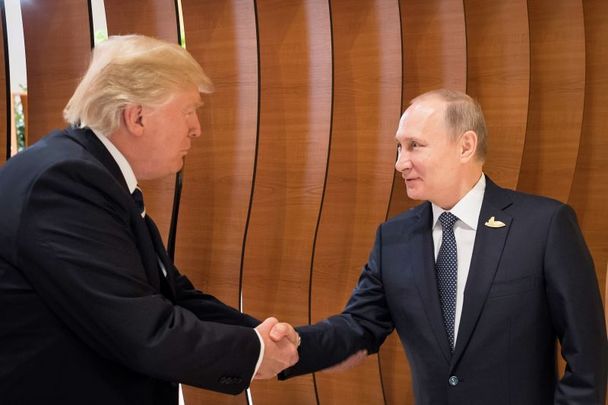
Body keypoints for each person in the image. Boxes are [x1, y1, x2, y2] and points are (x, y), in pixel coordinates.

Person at [0, 35, 299, 404]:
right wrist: (254, 351)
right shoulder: (63, 183)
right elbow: (142, 330)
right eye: (189, 110)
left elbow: (171, 293)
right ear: (136, 116)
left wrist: (265, 336)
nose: (197, 129)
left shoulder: (84, 171)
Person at [277, 89, 608, 404]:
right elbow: (358, 327)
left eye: (414, 146)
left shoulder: (544, 226)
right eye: (398, 147)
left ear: (465, 146)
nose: (400, 163)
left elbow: (587, 357)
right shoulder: (393, 239)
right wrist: (297, 345)